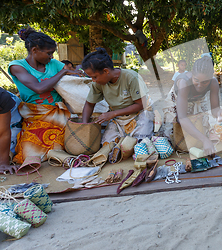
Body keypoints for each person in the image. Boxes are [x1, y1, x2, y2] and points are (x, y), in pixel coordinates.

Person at [8, 28, 80, 163]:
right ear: (34, 50)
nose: (52, 57)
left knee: (72, 145)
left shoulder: (54, 64)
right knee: (28, 155)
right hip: (35, 115)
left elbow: (74, 77)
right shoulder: (17, 66)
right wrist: (63, 73)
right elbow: (38, 88)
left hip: (59, 115)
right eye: (49, 53)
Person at [81, 48, 153, 145]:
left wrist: (113, 114)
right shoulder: (98, 83)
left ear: (106, 71)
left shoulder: (131, 77)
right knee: (107, 144)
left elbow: (140, 105)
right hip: (118, 117)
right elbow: (89, 104)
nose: (93, 80)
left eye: (94, 77)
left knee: (140, 143)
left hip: (140, 113)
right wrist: (85, 125)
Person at [164, 55, 222, 156]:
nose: (200, 85)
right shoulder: (184, 83)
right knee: (174, 133)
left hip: (197, 99)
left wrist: (220, 113)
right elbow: (182, 117)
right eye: (196, 80)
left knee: (201, 125)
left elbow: (215, 110)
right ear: (192, 74)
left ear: (211, 78)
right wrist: (205, 140)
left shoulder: (214, 83)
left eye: (205, 82)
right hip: (177, 98)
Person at [0, 88, 19, 174]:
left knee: (10, 149)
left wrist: (3, 163)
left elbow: (3, 133)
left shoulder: (3, 97)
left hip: (10, 115)